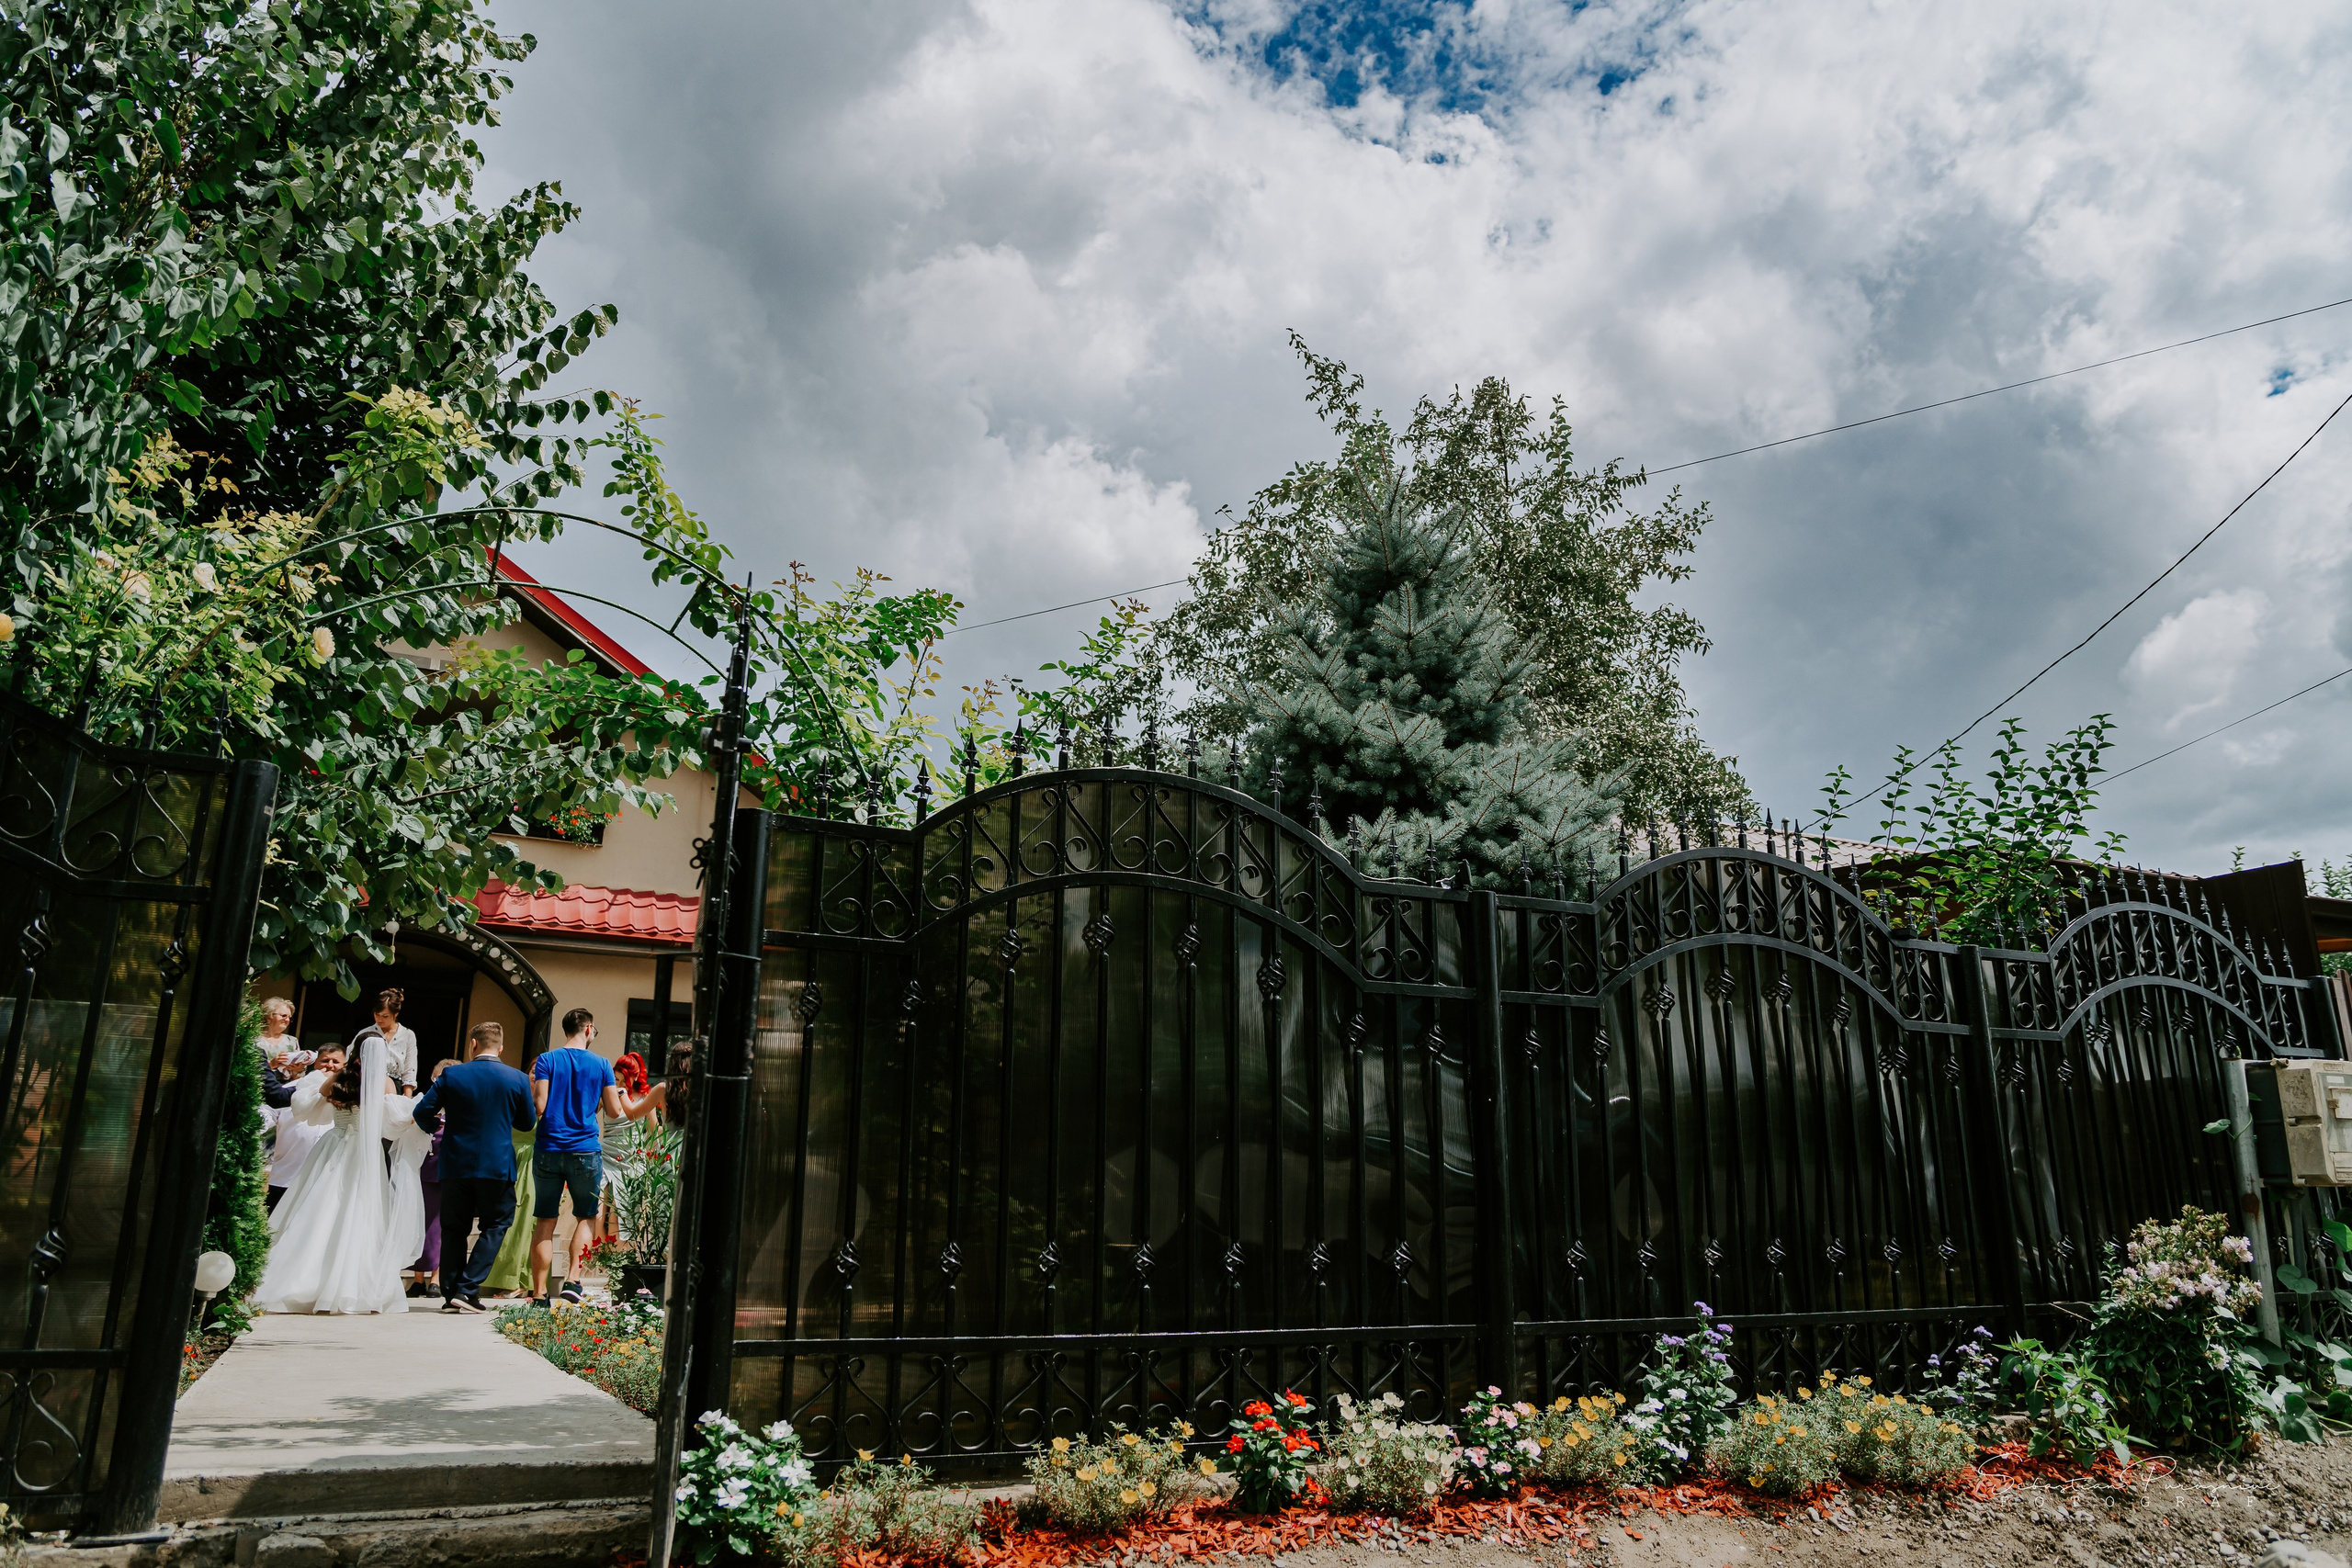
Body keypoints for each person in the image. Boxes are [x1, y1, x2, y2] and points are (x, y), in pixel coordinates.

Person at [254, 1035, 431, 1314]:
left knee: (319, 1209)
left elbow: (306, 1106)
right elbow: (393, 1123)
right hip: (365, 1152)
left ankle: (303, 1278)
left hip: (333, 1146)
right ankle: (353, 1286)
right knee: (360, 1212)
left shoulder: (339, 1077)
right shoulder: (384, 1082)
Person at [412, 1021, 537, 1314]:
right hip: (496, 1164)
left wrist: (437, 1126)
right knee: (496, 1224)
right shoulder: (516, 1078)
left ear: (473, 1045)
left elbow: (421, 1112)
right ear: (501, 1047)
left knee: (454, 1228)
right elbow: (527, 1122)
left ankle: (451, 1293)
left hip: (455, 1162)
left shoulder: (452, 1075)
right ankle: (467, 1290)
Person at [529, 1007, 626, 1305]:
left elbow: (540, 1104)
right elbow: (614, 1111)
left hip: (549, 1147)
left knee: (545, 1219)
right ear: (587, 1029)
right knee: (585, 1215)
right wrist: (592, 1102)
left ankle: (539, 1293)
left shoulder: (547, 1059)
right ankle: (573, 1279)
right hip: (584, 1149)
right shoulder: (601, 1064)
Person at [264, 1043, 343, 1213]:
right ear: (315, 1064)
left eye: (335, 1061)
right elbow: (267, 1114)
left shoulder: (349, 1096)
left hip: (325, 1179)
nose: (330, 1065)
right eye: (324, 1060)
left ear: (344, 1065)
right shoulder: (290, 1090)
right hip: (286, 1175)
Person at [351, 987, 419, 1095]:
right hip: (367, 1085)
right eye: (377, 1015)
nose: (380, 1019)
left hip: (394, 1086)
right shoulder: (365, 1033)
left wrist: (407, 1099)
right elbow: (349, 1058)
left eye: (385, 1016)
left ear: (395, 1014)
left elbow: (410, 1069)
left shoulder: (407, 1034)